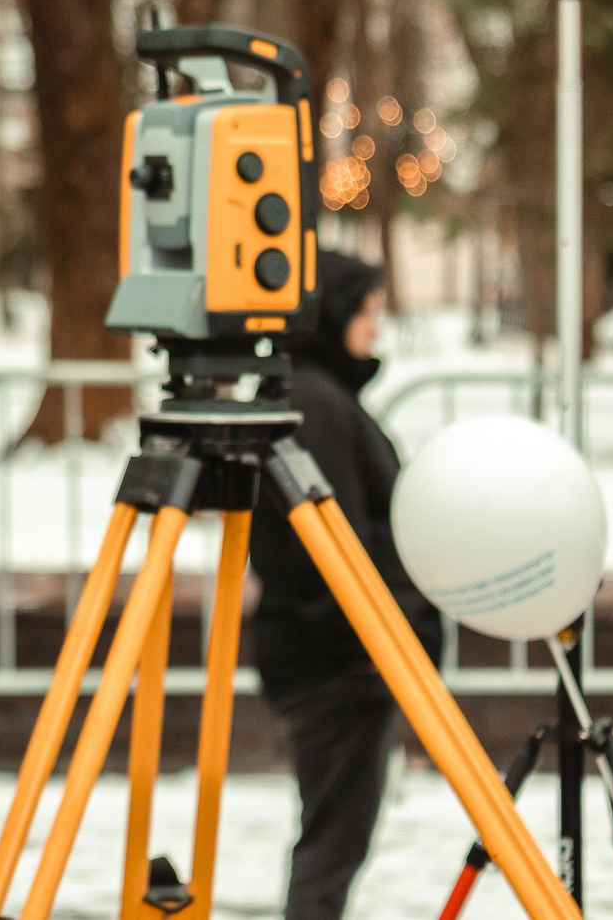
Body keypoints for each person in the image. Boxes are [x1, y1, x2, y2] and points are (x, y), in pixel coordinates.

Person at [247, 251, 440, 920]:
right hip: (339, 655)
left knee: (334, 834)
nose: (375, 331)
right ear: (333, 311)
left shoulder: (312, 396)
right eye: (368, 313)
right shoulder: (316, 403)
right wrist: (370, 641)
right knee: (334, 840)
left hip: (334, 648)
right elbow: (334, 544)